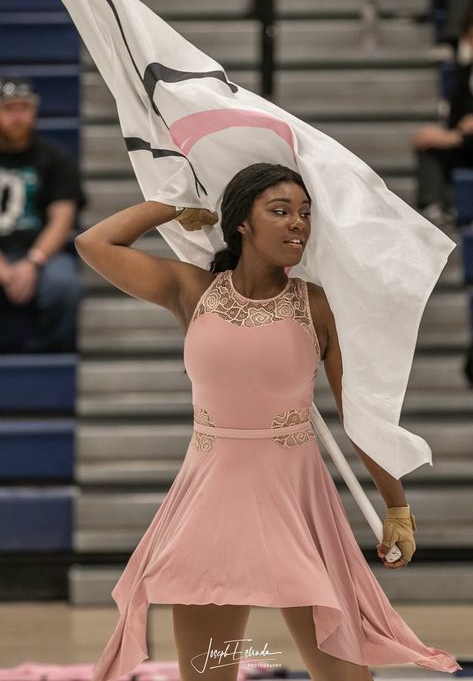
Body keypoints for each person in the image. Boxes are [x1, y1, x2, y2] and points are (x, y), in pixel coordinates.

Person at [75, 163, 460, 681]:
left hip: (296, 502)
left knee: (348, 678)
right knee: (208, 676)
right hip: (211, 504)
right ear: (241, 224)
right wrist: (174, 205)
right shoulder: (192, 290)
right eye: (279, 212)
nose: (297, 223)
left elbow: (359, 412)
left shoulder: (317, 305)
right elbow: (95, 243)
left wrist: (397, 505)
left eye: (304, 213)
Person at [0, 76, 86, 353]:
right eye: (9, 109)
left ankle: (51, 358)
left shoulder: (55, 158)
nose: (18, 116)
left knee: (65, 286)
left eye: (24, 108)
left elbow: (63, 219)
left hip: (42, 253)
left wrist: (33, 263)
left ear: (35, 112)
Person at [413, 4, 473, 228]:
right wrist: (448, 135)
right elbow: (456, 121)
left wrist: (457, 138)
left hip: (467, 142)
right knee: (428, 142)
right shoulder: (465, 71)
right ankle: (434, 209)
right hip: (467, 144)